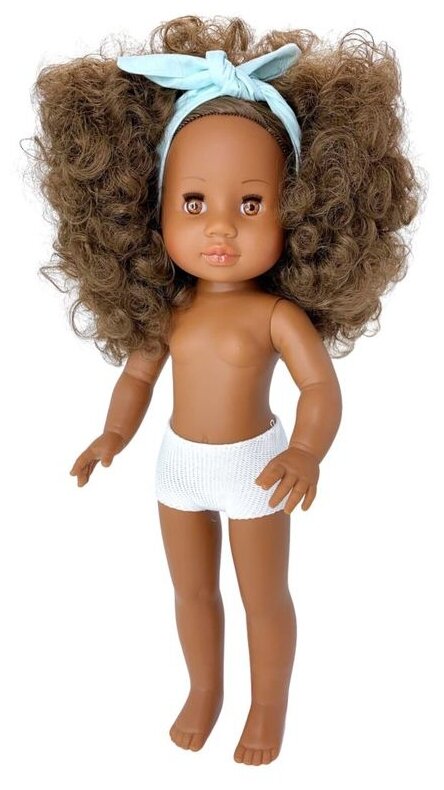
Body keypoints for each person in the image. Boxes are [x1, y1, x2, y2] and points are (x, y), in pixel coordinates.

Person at [28, 15, 424, 765]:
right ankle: (204, 688)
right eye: (193, 202)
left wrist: (305, 452)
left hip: (255, 469)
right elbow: (138, 374)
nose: (220, 229)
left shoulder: (276, 315)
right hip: (177, 466)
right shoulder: (171, 309)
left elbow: (320, 388)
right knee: (191, 592)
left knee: (262, 595)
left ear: (298, 211)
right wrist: (113, 434)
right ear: (150, 209)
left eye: (249, 204)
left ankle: (267, 706)